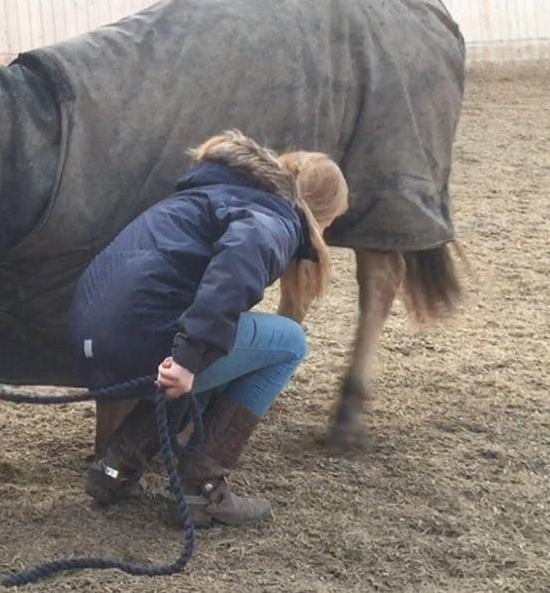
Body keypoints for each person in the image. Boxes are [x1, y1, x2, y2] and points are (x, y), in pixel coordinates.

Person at [70, 130, 349, 527]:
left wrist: (191, 357)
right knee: (288, 342)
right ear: (323, 216)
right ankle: (200, 486)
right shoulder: (273, 218)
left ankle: (116, 467)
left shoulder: (217, 192)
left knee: (218, 346)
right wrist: (187, 361)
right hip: (140, 339)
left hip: (93, 335)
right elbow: (233, 271)